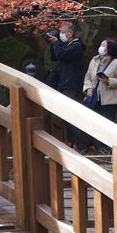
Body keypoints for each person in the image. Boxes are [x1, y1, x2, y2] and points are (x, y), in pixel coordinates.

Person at [47, 21, 85, 149]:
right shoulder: (67, 45)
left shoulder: (76, 46)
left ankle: (77, 144)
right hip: (64, 83)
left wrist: (57, 43)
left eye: (63, 32)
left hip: (71, 85)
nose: (61, 34)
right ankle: (72, 142)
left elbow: (62, 55)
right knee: (66, 115)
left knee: (71, 115)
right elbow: (55, 57)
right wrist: (53, 43)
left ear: (71, 34)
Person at [83, 39, 117, 124]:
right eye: (100, 45)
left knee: (107, 124)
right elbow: (87, 77)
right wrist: (88, 88)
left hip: (108, 102)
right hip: (94, 99)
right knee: (93, 124)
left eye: (103, 46)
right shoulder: (94, 60)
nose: (100, 47)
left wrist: (108, 81)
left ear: (109, 49)